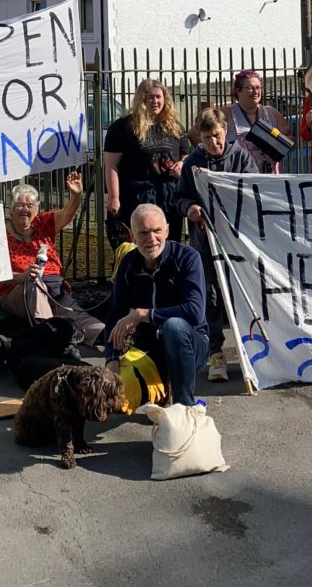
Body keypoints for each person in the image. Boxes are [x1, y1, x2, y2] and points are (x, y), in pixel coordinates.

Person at [175, 109, 256, 383]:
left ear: (226, 131)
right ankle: (215, 352)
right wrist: (190, 208)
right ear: (200, 137)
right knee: (209, 295)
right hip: (204, 241)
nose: (214, 143)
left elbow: (255, 191)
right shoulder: (193, 163)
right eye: (207, 138)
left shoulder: (241, 157)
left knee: (239, 293)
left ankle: (247, 347)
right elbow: (179, 198)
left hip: (236, 241)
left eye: (218, 136)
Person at [101, 204, 208, 407]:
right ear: (132, 236)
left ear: (167, 230)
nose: (152, 239)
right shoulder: (127, 264)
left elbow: (195, 313)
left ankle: (183, 406)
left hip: (190, 346)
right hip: (149, 349)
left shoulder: (188, 258)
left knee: (174, 327)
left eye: (157, 231)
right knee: (116, 398)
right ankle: (160, 389)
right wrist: (111, 359)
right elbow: (113, 315)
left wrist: (144, 314)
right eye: (144, 233)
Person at [0, 170, 103, 348]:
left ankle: (108, 337)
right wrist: (21, 277)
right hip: (18, 290)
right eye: (20, 205)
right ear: (11, 208)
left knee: (77, 314)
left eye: (30, 206)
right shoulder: (0, 234)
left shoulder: (43, 223)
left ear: (37, 209)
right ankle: (53, 333)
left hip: (54, 286)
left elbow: (67, 214)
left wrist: (76, 196)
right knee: (35, 285)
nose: (25, 210)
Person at [104, 79, 188, 242]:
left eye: (158, 97)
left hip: (168, 195)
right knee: (137, 241)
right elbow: (111, 165)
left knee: (167, 242)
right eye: (150, 97)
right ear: (141, 100)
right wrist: (114, 197)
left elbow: (185, 154)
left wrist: (182, 164)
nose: (155, 101)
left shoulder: (174, 127)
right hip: (135, 194)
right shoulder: (123, 127)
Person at [223, 68, 292, 173]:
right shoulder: (226, 114)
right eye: (250, 88)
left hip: (269, 179)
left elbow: (290, 140)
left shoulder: (271, 113)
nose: (256, 92)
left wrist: (275, 142)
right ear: (238, 90)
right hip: (239, 180)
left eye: (258, 87)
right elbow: (196, 133)